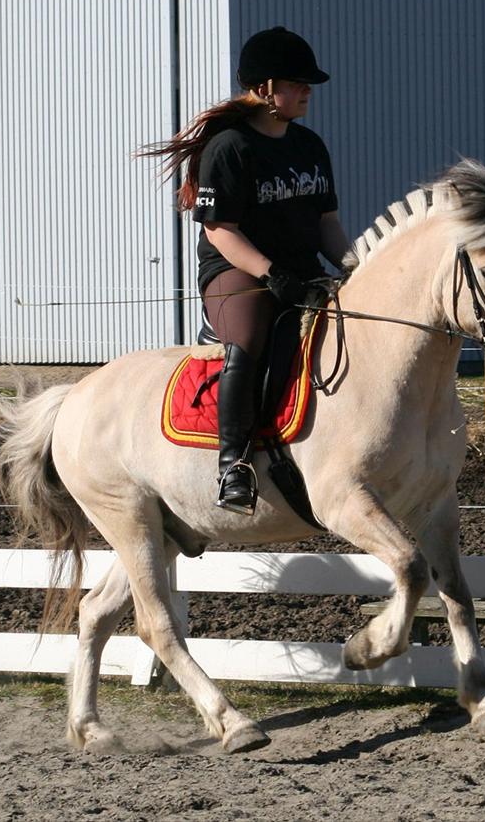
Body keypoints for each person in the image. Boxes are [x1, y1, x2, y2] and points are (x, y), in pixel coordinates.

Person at [137, 26, 351, 515]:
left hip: (300, 271)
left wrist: (352, 268)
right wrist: (271, 272)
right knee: (252, 338)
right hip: (236, 272)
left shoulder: (310, 146)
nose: (307, 92)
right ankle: (233, 464)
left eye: (307, 85)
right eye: (297, 84)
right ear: (264, 89)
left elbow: (328, 224)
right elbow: (220, 231)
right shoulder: (230, 148)